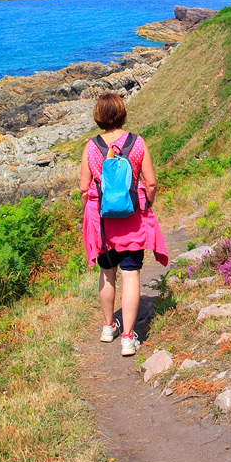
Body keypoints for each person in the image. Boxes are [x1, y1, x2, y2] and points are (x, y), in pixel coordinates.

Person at [80, 91, 168, 356]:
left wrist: (92, 212)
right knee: (131, 276)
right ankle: (128, 339)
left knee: (107, 274)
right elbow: (151, 182)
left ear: (98, 117)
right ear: (122, 114)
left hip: (103, 222)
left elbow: (84, 189)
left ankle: (108, 327)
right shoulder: (137, 143)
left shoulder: (91, 147)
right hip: (132, 219)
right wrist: (146, 203)